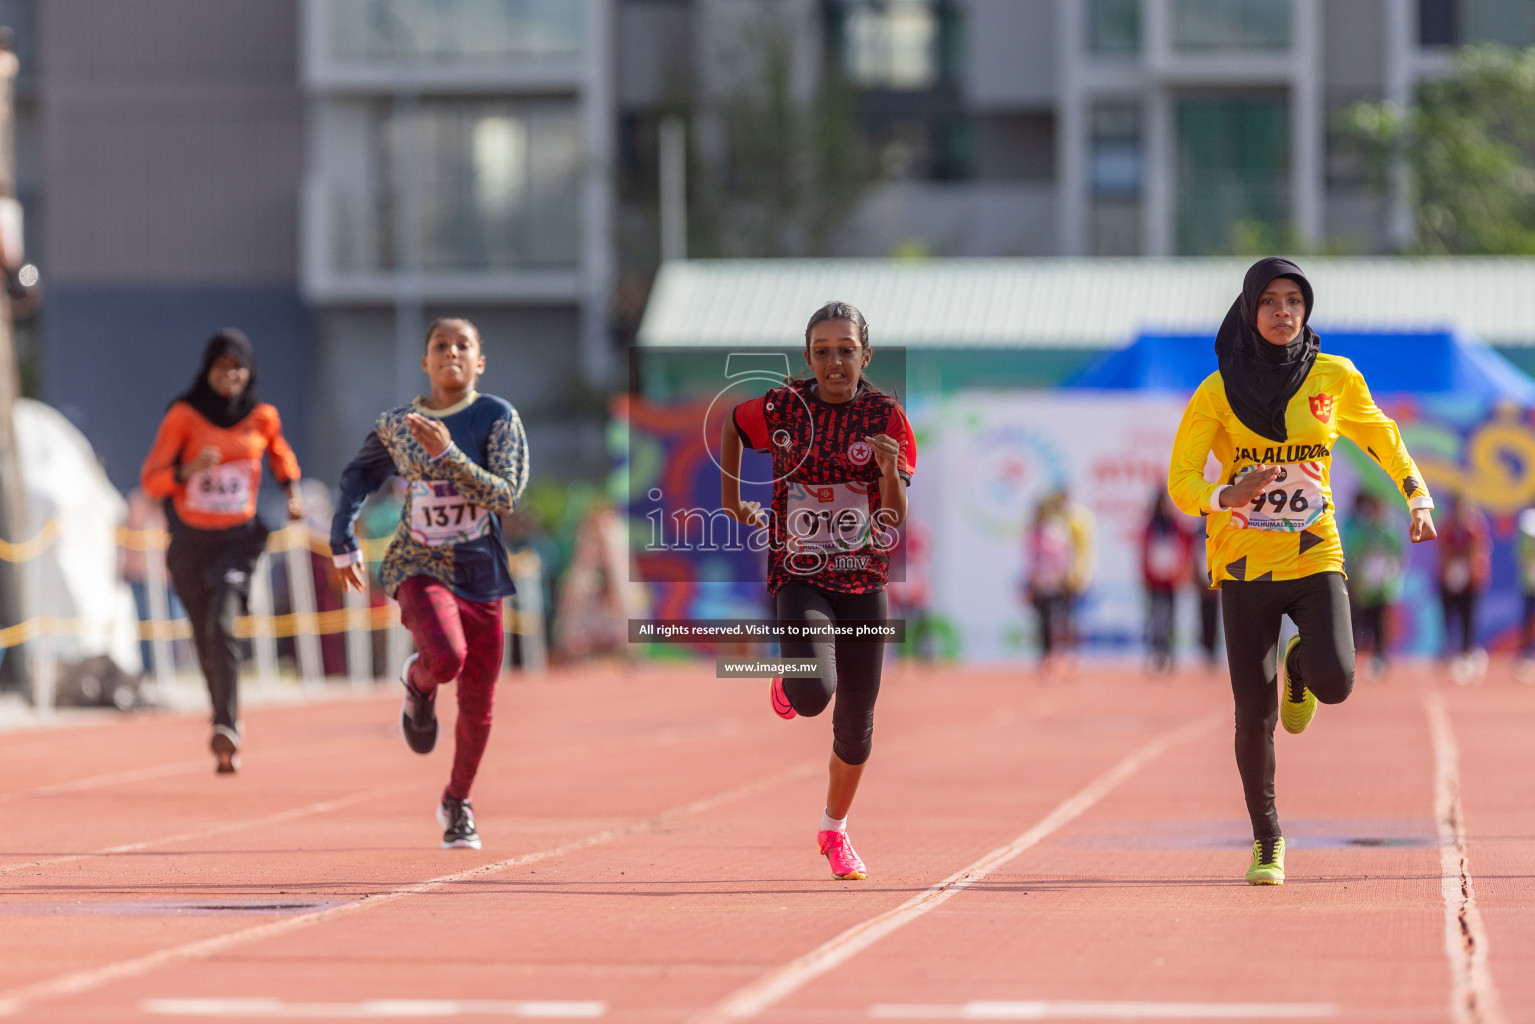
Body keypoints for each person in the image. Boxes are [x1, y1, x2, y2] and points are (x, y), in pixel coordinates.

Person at [1168, 257, 1435, 885]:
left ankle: (1301, 666)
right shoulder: (1216, 391)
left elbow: (1382, 436)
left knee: (1337, 682)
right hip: (1243, 564)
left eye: (1294, 300)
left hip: (1316, 552)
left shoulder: (1335, 377)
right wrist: (1226, 495)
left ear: (1307, 310)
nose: (1283, 312)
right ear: (1247, 310)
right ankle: (1268, 838)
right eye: (1269, 302)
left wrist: (1416, 495)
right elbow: (1182, 481)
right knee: (1252, 712)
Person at [720, 300, 915, 881]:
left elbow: (895, 516)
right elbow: (733, 424)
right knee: (814, 693)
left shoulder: (885, 416)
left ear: (865, 356)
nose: (835, 362)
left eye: (846, 351)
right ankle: (792, 677)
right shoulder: (785, 405)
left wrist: (886, 472)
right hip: (799, 573)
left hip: (864, 580)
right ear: (808, 358)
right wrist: (732, 502)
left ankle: (835, 832)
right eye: (823, 352)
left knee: (856, 728)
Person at [331, 317, 528, 850]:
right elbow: (357, 477)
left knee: (478, 704)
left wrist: (448, 457)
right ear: (425, 362)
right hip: (420, 564)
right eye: (440, 346)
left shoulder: (497, 418)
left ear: (479, 361)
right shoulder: (399, 424)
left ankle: (457, 801)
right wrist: (341, 537)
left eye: (463, 346)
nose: (451, 354)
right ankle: (418, 686)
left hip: (481, 575)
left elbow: (506, 496)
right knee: (445, 658)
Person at [140, 329, 304, 774]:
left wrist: (291, 491)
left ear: (248, 372)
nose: (229, 375)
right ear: (207, 370)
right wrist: (189, 469)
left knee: (224, 624)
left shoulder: (262, 416)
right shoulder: (184, 416)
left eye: (237, 367)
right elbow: (152, 479)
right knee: (204, 637)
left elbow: (280, 454)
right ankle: (222, 713)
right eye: (221, 367)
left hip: (237, 539)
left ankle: (227, 724)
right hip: (191, 541)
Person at [1341, 491, 1404, 679]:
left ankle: (1379, 658)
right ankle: (1357, 660)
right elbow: (1357, 555)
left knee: (1379, 622)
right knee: (1362, 622)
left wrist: (1392, 576)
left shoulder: (1390, 531)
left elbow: (1398, 554)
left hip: (1383, 584)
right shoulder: (1364, 530)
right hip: (1365, 584)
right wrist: (1358, 580)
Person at [1437, 493, 1490, 685]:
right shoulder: (1447, 526)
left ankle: (1467, 654)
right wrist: (1452, 571)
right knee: (1448, 617)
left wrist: (1466, 571)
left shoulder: (1475, 526)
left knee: (1468, 618)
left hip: (1470, 581)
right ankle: (1449, 652)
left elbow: (1476, 550)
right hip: (1449, 578)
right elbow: (1443, 549)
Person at [1142, 486, 1192, 674]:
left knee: (1171, 619)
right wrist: (1146, 576)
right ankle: (1156, 654)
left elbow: (1185, 548)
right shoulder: (1151, 525)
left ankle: (1170, 656)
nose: (1165, 506)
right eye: (1162, 502)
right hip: (1154, 582)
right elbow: (1144, 552)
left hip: (1171, 580)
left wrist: (1183, 573)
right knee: (1155, 619)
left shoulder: (1174, 524)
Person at [1516, 509, 1535, 684]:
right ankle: (1526, 653)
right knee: (1527, 620)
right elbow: (1522, 557)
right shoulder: (1525, 541)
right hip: (1529, 585)